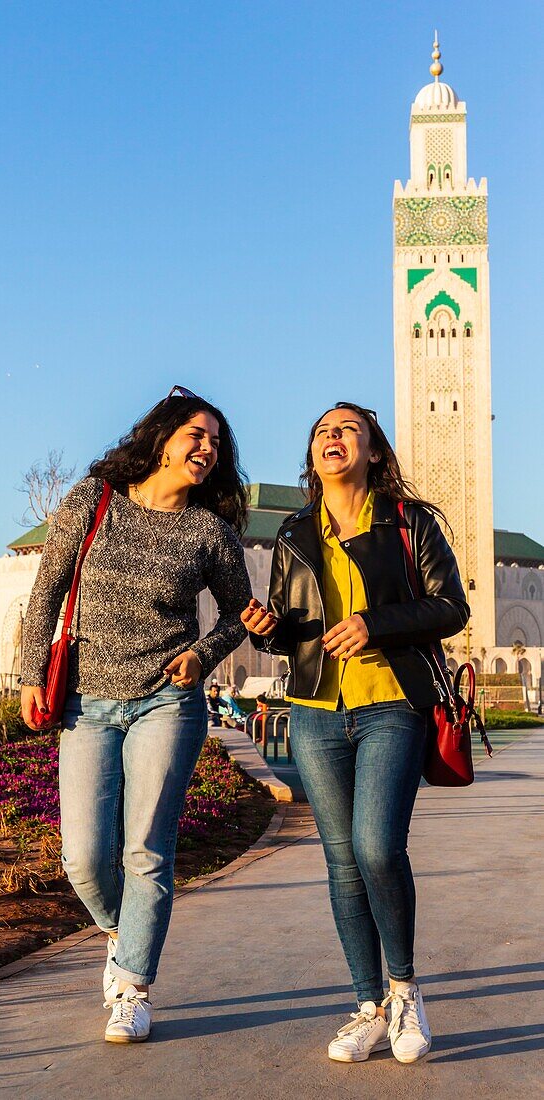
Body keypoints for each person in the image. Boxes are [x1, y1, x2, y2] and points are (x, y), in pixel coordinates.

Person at [21, 386, 251, 1044]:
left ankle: (132, 988)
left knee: (146, 851)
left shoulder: (209, 532)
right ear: (162, 437)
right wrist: (29, 673)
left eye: (216, 442)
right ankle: (124, 935)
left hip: (166, 703)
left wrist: (201, 656)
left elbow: (240, 613)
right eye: (195, 435)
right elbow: (47, 591)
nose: (206, 449)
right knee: (84, 859)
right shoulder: (94, 500)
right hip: (84, 703)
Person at [242, 401, 468, 1066]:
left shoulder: (408, 521)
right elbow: (293, 629)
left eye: (347, 430)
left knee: (374, 847)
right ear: (312, 456)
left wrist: (375, 624)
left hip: (391, 702)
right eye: (320, 431)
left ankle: (404, 990)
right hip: (314, 709)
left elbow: (450, 607)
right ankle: (367, 1005)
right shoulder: (292, 530)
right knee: (341, 862)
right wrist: (267, 629)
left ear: (372, 452)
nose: (331, 438)